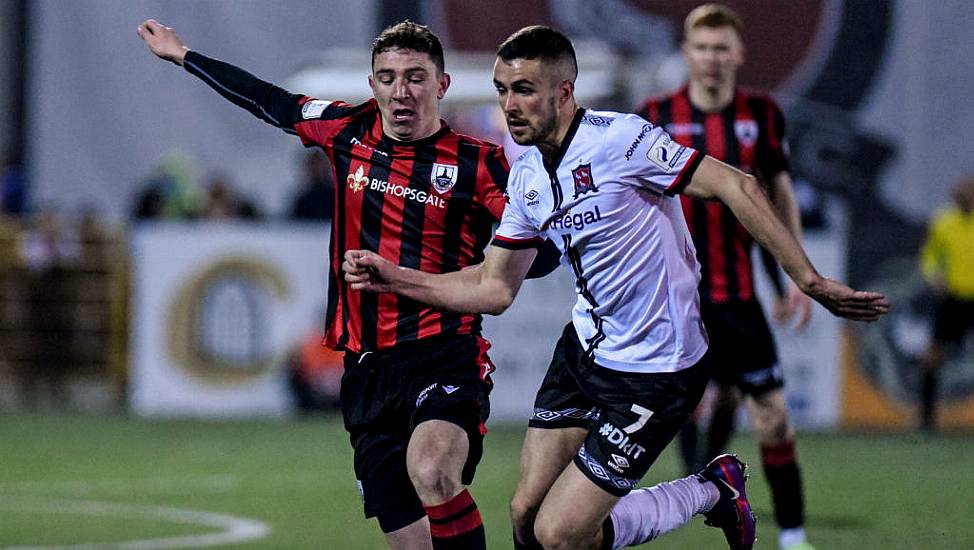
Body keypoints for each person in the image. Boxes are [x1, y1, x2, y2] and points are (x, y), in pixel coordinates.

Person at [343, 25, 889, 550]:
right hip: (584, 354)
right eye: (502, 91)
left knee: (560, 535)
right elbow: (493, 288)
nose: (510, 105)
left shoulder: (620, 141)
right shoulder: (529, 175)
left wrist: (807, 278)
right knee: (525, 519)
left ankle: (710, 490)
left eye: (525, 90)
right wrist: (396, 277)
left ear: (564, 93)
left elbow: (735, 184)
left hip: (657, 369)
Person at [137, 18, 559, 550]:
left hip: (443, 353)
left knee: (433, 471)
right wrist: (185, 56)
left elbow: (538, 255)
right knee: (410, 540)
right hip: (364, 367)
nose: (400, 91)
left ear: (441, 85)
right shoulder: (346, 130)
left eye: (415, 77)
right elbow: (268, 100)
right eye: (387, 77)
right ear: (372, 84)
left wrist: (521, 253)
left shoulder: (481, 164)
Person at [638, 5, 816, 549]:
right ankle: (697, 483)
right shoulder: (655, 113)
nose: (713, 58)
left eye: (722, 48)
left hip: (737, 296)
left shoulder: (760, 114)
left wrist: (794, 273)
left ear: (738, 54)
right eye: (703, 47)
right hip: (675, 298)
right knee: (676, 404)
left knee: (774, 418)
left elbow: (776, 193)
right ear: (687, 53)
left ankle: (792, 535)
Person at [918, 175, 974, 432]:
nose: (963, 198)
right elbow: (929, 255)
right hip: (953, 299)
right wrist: (933, 276)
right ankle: (926, 420)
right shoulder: (943, 221)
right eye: (959, 194)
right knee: (932, 357)